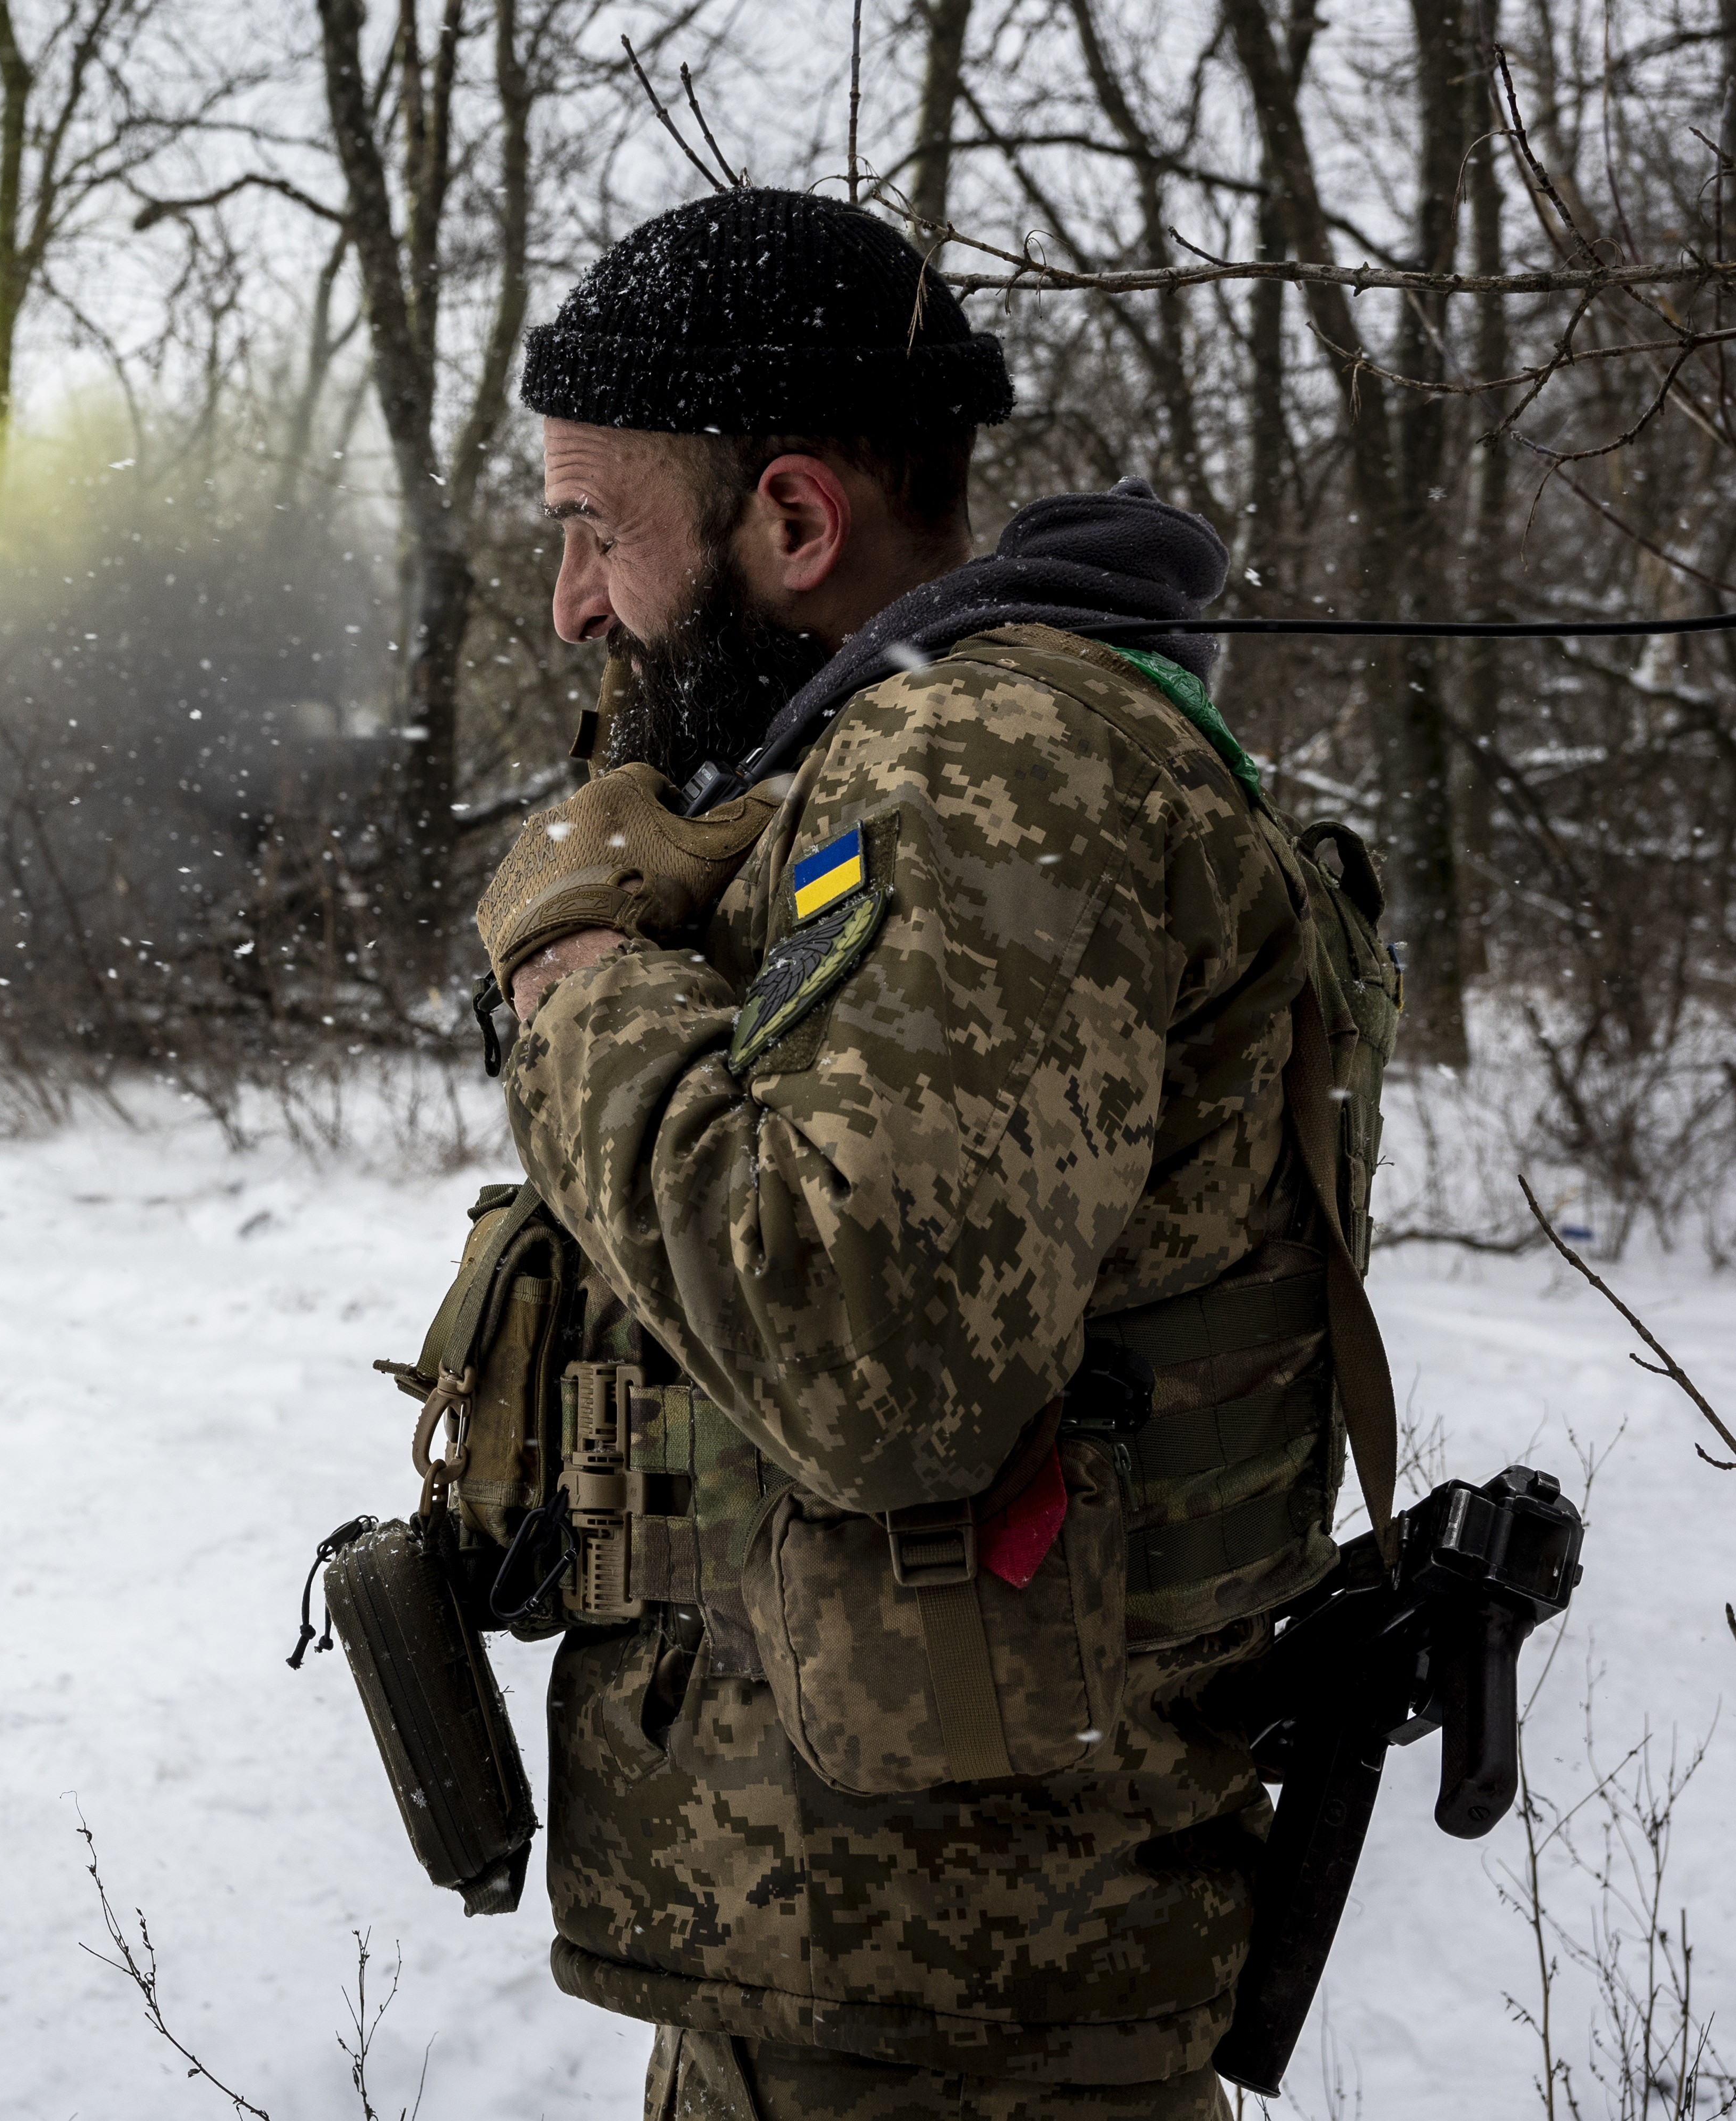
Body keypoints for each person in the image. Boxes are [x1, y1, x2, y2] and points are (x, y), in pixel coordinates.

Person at [469, 187, 1369, 2119]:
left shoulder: (992, 765)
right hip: (887, 1973)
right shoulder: (902, 758)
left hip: (954, 2015)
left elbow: (868, 1361)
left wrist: (577, 971)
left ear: (792, 521)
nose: (569, 606)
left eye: (591, 531)